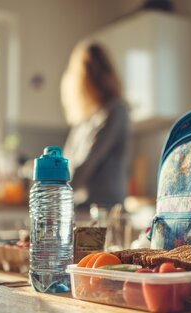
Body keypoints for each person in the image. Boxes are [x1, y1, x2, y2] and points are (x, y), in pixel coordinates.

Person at [61, 42, 130, 208]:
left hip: (105, 210)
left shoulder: (115, 111)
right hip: (82, 207)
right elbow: (66, 164)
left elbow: (84, 167)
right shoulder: (83, 120)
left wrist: (51, 190)